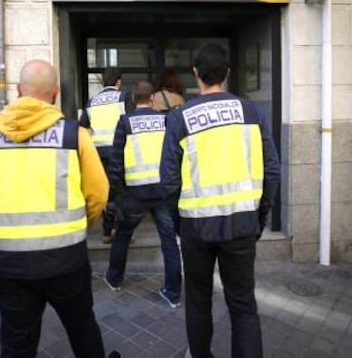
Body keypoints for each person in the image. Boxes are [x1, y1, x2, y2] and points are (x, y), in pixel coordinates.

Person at [0, 60, 109, 358]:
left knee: (17, 343)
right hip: (66, 259)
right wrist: (78, 227)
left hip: (7, 263)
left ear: (18, 90)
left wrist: (4, 230)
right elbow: (98, 195)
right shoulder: (74, 135)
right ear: (55, 93)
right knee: (82, 331)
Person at [160, 43, 280, 358]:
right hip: (242, 222)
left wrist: (178, 223)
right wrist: (260, 218)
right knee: (243, 305)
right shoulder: (252, 112)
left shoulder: (180, 117)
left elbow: (169, 180)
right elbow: (272, 171)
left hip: (196, 228)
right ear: (227, 73)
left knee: (198, 300)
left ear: (196, 74)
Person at [104, 80, 182, 308]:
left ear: (132, 100)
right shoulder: (166, 120)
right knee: (169, 241)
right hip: (162, 191)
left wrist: (116, 198)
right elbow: (175, 156)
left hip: (135, 194)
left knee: (122, 236)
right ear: (152, 99)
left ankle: (114, 279)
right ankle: (173, 292)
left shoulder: (125, 122)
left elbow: (116, 165)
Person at [79, 67, 134, 243]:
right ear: (118, 81)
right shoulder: (123, 97)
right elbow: (132, 122)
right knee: (122, 193)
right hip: (119, 151)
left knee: (107, 192)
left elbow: (83, 127)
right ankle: (120, 231)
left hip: (99, 153)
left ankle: (106, 232)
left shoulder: (91, 102)